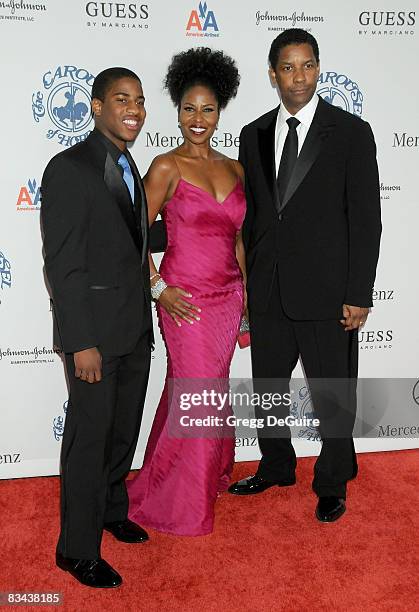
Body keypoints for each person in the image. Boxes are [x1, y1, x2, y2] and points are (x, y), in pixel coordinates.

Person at [228, 29, 381, 522]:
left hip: (329, 294)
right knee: (269, 387)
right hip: (269, 290)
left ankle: (334, 480)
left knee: (332, 394)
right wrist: (247, 289)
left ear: (319, 68)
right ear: (272, 74)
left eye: (307, 65)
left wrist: (359, 293)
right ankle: (276, 465)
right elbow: (253, 217)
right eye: (288, 67)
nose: (299, 76)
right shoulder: (252, 134)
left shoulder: (351, 132)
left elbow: (366, 219)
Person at [41, 67, 153, 588]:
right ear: (95, 106)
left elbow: (133, 249)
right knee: (88, 441)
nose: (133, 109)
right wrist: (80, 341)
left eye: (139, 100)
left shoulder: (132, 165)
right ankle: (76, 549)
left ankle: (112, 510)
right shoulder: (69, 168)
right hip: (94, 339)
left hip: (134, 330)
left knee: (121, 432)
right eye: (120, 99)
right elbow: (63, 266)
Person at [127, 47, 245, 536]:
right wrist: (159, 290)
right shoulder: (164, 167)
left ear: (221, 112)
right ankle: (181, 503)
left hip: (229, 299)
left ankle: (178, 474)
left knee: (201, 392)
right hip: (185, 300)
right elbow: (132, 236)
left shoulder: (237, 169)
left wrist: (249, 306)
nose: (198, 119)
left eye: (208, 109)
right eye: (189, 109)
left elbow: (238, 239)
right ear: (177, 110)